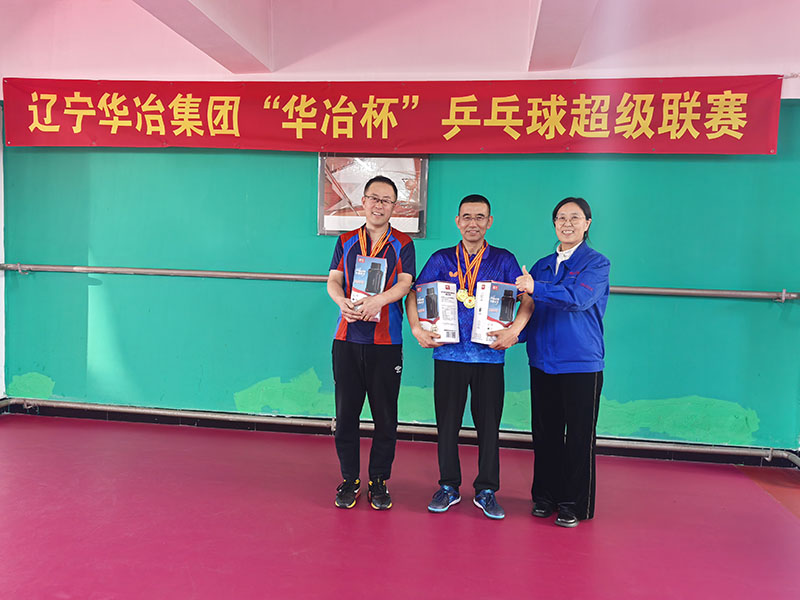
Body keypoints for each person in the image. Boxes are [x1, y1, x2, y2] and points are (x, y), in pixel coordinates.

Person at [407, 194, 532, 520]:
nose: (472, 223)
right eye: (467, 217)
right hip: (448, 355)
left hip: (489, 358)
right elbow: (414, 295)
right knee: (447, 425)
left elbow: (528, 300)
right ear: (457, 221)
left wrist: (515, 331)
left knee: (489, 427)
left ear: (489, 222)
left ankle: (486, 489)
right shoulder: (441, 259)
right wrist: (417, 329)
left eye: (479, 217)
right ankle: (448, 486)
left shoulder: (503, 259)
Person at [515, 197, 610, 528]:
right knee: (545, 433)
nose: (567, 223)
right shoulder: (541, 265)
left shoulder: (596, 264)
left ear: (587, 223)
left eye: (574, 217)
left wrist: (535, 287)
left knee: (580, 436)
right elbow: (531, 309)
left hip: (581, 362)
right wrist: (510, 335)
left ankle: (574, 503)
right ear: (554, 224)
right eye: (561, 218)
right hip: (542, 361)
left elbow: (578, 299)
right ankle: (545, 496)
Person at [327, 175, 416, 510]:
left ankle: (379, 480)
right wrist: (341, 302)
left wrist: (379, 300)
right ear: (363, 202)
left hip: (386, 342)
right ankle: (350, 479)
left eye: (386, 200)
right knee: (346, 415)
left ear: (394, 206)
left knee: (385, 418)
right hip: (347, 339)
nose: (379, 205)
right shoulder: (346, 241)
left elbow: (405, 283)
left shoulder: (403, 243)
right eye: (374, 198)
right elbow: (333, 281)